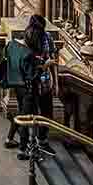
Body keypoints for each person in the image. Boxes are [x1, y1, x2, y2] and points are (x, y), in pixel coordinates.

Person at [17, 13, 55, 159]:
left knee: (46, 113)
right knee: (27, 116)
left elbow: (52, 59)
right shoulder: (27, 37)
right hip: (30, 85)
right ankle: (24, 147)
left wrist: (55, 82)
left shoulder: (47, 37)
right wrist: (44, 66)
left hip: (43, 83)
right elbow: (29, 66)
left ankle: (41, 141)